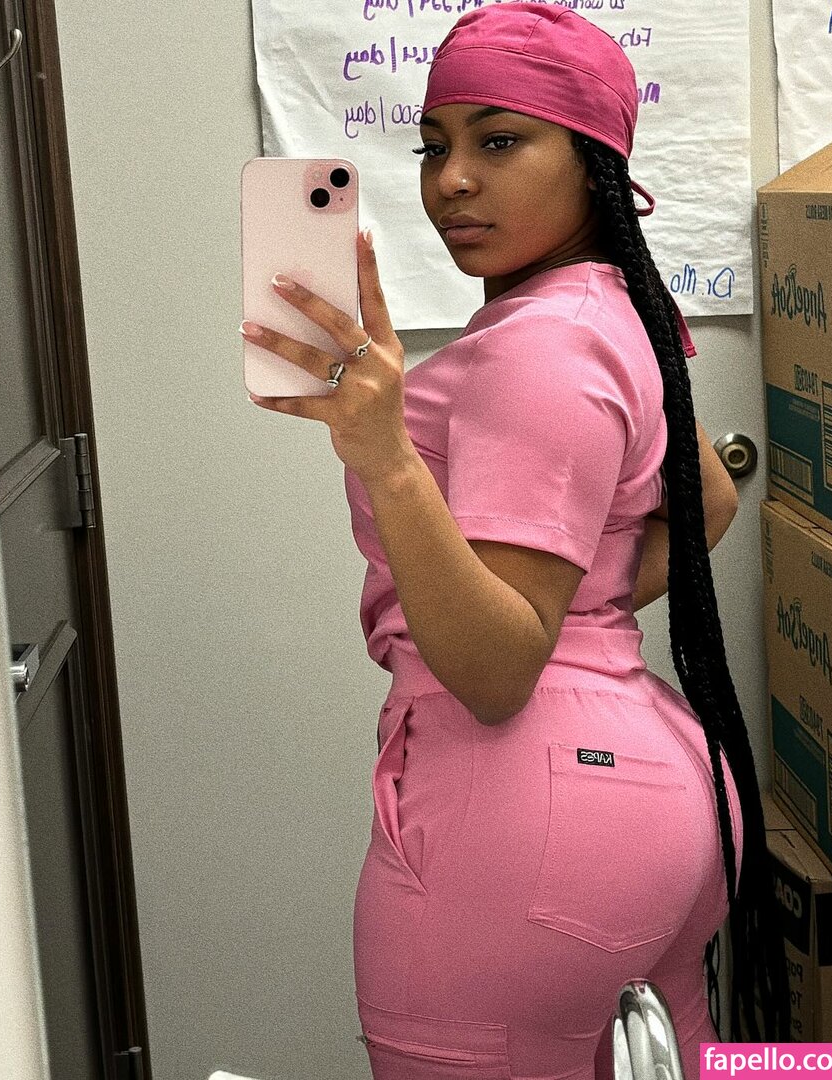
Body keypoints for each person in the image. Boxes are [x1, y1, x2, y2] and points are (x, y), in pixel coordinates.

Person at [241, 3, 790, 1076]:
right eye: (432, 146)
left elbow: (496, 672)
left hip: (528, 811)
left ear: (593, 161)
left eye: (499, 141)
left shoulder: (538, 349)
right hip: (646, 787)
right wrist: (582, 614)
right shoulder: (608, 310)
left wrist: (386, 458)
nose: (451, 180)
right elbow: (708, 501)